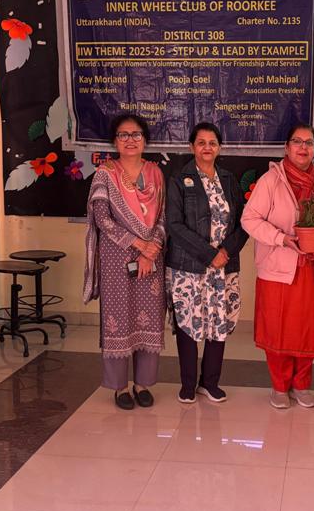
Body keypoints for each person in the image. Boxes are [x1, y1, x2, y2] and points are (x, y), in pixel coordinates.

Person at [241, 123, 314, 409]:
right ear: (287, 147)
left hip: (311, 266)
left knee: (306, 328)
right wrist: (281, 238)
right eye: (297, 142)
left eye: (309, 142)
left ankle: (302, 385)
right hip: (278, 266)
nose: (303, 147)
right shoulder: (271, 180)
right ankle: (279, 387)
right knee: (277, 327)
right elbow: (249, 219)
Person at [82, 113, 167, 410]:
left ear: (145, 140)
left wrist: (150, 249)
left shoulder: (155, 173)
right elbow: (102, 219)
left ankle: (143, 384)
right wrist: (138, 244)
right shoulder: (105, 174)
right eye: (123, 135)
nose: (130, 140)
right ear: (115, 141)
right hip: (116, 258)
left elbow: (163, 217)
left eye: (136, 135)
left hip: (151, 259)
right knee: (118, 320)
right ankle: (119, 387)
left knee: (149, 317)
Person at [164, 122, 248, 404]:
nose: (207, 147)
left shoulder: (229, 179)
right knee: (187, 323)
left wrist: (226, 251)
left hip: (224, 267)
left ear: (219, 147)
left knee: (219, 322)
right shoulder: (179, 179)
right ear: (192, 147)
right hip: (188, 267)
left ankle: (210, 383)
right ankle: (188, 384)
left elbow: (244, 223)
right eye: (201, 142)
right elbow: (174, 224)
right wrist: (209, 254)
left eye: (212, 142)